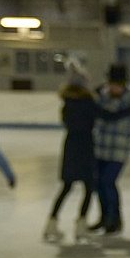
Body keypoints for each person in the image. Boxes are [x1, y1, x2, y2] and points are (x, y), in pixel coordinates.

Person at [44, 64, 101, 243]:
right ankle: (81, 226)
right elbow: (105, 116)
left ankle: (51, 223)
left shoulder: (67, 103)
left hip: (70, 146)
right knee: (88, 186)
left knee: (66, 187)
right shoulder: (88, 102)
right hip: (85, 146)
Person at [91, 64, 130, 235]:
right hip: (101, 148)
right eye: (111, 84)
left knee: (107, 181)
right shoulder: (102, 97)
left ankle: (115, 220)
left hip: (119, 151)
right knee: (98, 183)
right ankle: (104, 218)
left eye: (117, 85)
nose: (114, 88)